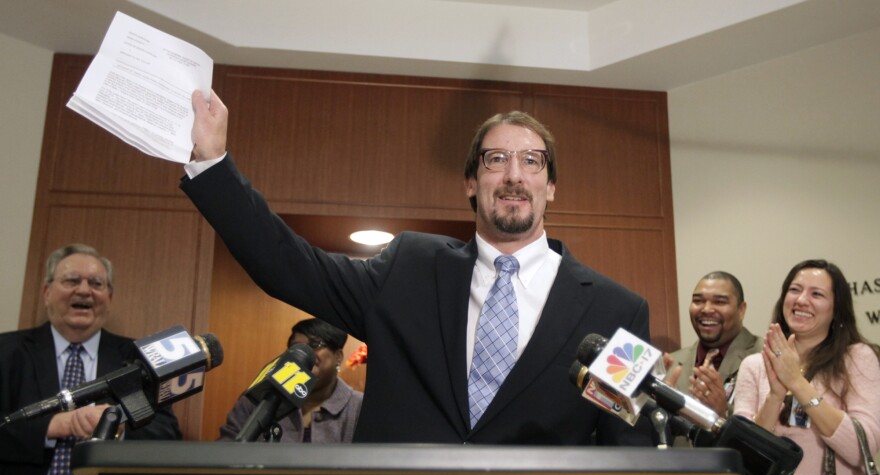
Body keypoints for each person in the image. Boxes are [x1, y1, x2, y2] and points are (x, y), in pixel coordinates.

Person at [179, 90, 653, 446]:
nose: (513, 175)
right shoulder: (409, 267)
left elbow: (628, 458)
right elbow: (289, 267)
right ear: (471, 182)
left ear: (551, 186)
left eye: (532, 161)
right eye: (495, 160)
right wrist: (212, 165)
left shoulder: (617, 312)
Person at [0, 244, 182, 475]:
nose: (84, 291)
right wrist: (55, 425)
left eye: (96, 283)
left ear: (109, 297)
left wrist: (119, 427)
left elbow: (168, 434)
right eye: (72, 281)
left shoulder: (138, 359)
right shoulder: (7, 352)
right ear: (47, 292)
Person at [733, 259, 880, 475]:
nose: (802, 300)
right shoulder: (754, 365)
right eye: (795, 290)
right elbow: (748, 457)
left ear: (837, 309)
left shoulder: (858, 358)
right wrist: (776, 395)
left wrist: (798, 384)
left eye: (817, 294)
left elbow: (862, 448)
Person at [217, 318, 363, 443]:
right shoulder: (261, 396)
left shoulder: (358, 407)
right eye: (296, 348)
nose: (306, 355)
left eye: (314, 345)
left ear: (338, 356)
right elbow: (226, 450)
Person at [666, 271, 762, 420]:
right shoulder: (670, 364)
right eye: (698, 301)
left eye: (719, 302)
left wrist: (722, 414)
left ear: (741, 310)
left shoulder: (764, 357)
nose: (706, 309)